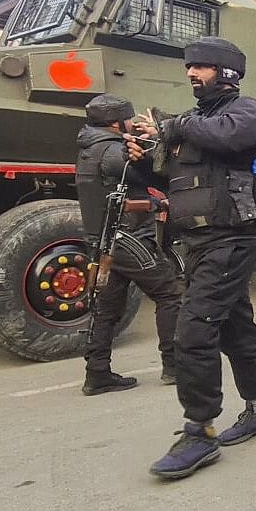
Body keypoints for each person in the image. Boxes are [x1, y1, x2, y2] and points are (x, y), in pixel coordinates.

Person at [140, 37, 256, 480]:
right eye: (190, 67)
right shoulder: (193, 123)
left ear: (227, 73)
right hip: (199, 240)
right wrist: (145, 153)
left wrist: (173, 126)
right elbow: (170, 173)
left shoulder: (247, 112)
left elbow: (225, 136)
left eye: (200, 67)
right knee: (235, 324)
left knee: (194, 331)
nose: (190, 74)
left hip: (232, 237)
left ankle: (199, 431)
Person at [75, 94, 181, 396]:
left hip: (103, 241)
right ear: (114, 122)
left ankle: (97, 374)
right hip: (129, 238)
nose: (133, 123)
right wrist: (148, 156)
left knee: (107, 308)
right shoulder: (114, 152)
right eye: (129, 119)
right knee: (169, 293)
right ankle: (173, 366)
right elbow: (160, 178)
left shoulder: (88, 149)